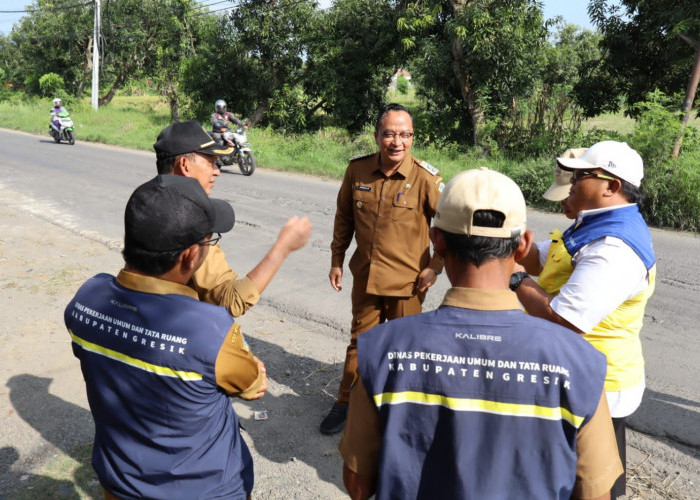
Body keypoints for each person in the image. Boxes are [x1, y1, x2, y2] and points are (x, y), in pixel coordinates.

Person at [339, 167, 622, 500]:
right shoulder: (580, 363)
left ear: (437, 241)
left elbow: (358, 484)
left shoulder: (382, 349)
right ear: (523, 245)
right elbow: (594, 493)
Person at [65, 175, 267, 499]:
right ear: (190, 256)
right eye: (209, 241)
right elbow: (253, 385)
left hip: (119, 483)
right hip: (204, 489)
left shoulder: (87, 300)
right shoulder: (209, 329)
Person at [513, 141, 657, 499]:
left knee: (589, 482)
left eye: (582, 175)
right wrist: (510, 243)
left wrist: (515, 279)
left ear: (611, 186)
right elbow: (547, 260)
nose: (572, 182)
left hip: (598, 385)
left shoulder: (614, 247)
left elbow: (565, 319)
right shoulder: (592, 225)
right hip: (578, 374)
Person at [322, 103, 445, 434]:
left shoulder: (426, 178)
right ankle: (346, 402)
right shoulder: (357, 171)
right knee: (360, 343)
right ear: (377, 136)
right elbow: (344, 217)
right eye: (389, 134)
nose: (397, 142)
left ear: (413, 137)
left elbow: (447, 226)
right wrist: (336, 259)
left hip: (409, 284)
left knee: (406, 349)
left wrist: (435, 266)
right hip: (366, 275)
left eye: (405, 135)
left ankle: (402, 412)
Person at [154, 120, 312, 318]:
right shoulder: (190, 220)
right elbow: (231, 301)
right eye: (210, 162)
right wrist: (282, 248)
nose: (217, 171)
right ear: (185, 165)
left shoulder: (145, 204)